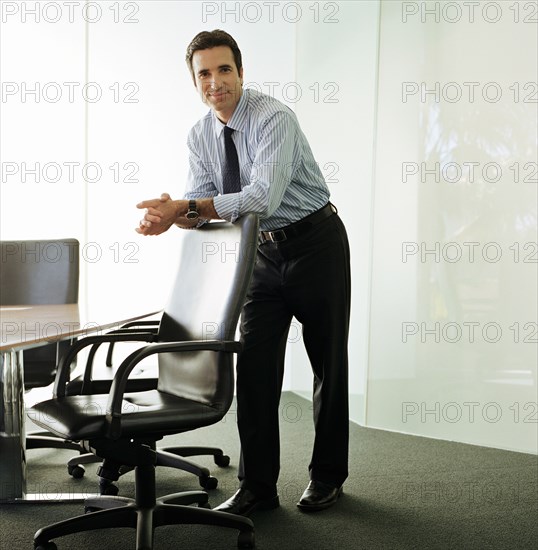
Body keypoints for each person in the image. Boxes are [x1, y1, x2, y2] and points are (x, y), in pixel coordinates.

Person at [136, 29, 351, 516]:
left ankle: (328, 477)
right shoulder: (198, 135)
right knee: (254, 371)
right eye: (204, 74)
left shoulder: (273, 118)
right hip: (260, 255)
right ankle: (258, 486)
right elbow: (202, 212)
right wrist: (170, 215)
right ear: (194, 82)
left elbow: (260, 199)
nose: (216, 82)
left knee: (328, 367)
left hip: (316, 244)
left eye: (224, 69)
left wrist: (187, 206)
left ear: (241, 70)